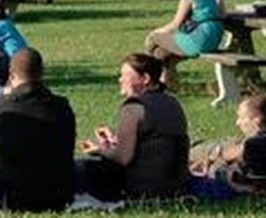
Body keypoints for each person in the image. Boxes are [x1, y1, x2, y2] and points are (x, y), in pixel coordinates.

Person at [0, 48, 76, 211]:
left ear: (11, 76)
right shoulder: (63, 106)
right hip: (59, 196)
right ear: (42, 73)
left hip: (16, 196)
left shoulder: (2, 107)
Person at [79, 53, 189, 201]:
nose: (120, 79)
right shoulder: (173, 103)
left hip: (142, 189)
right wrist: (115, 139)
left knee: (81, 168)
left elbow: (124, 158)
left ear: (145, 79)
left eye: (125, 75)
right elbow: (156, 144)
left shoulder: (133, 108)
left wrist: (100, 150)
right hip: (177, 187)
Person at [190, 95, 266, 199]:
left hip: (218, 162)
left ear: (257, 120)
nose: (237, 123)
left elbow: (248, 147)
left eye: (242, 117)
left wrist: (216, 156)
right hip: (227, 145)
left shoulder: (258, 146)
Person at [145, 0, 224, 89]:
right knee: (160, 53)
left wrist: (156, 32)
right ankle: (167, 82)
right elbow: (222, 14)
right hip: (214, 36)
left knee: (152, 39)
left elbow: (176, 24)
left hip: (200, 38)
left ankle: (148, 76)